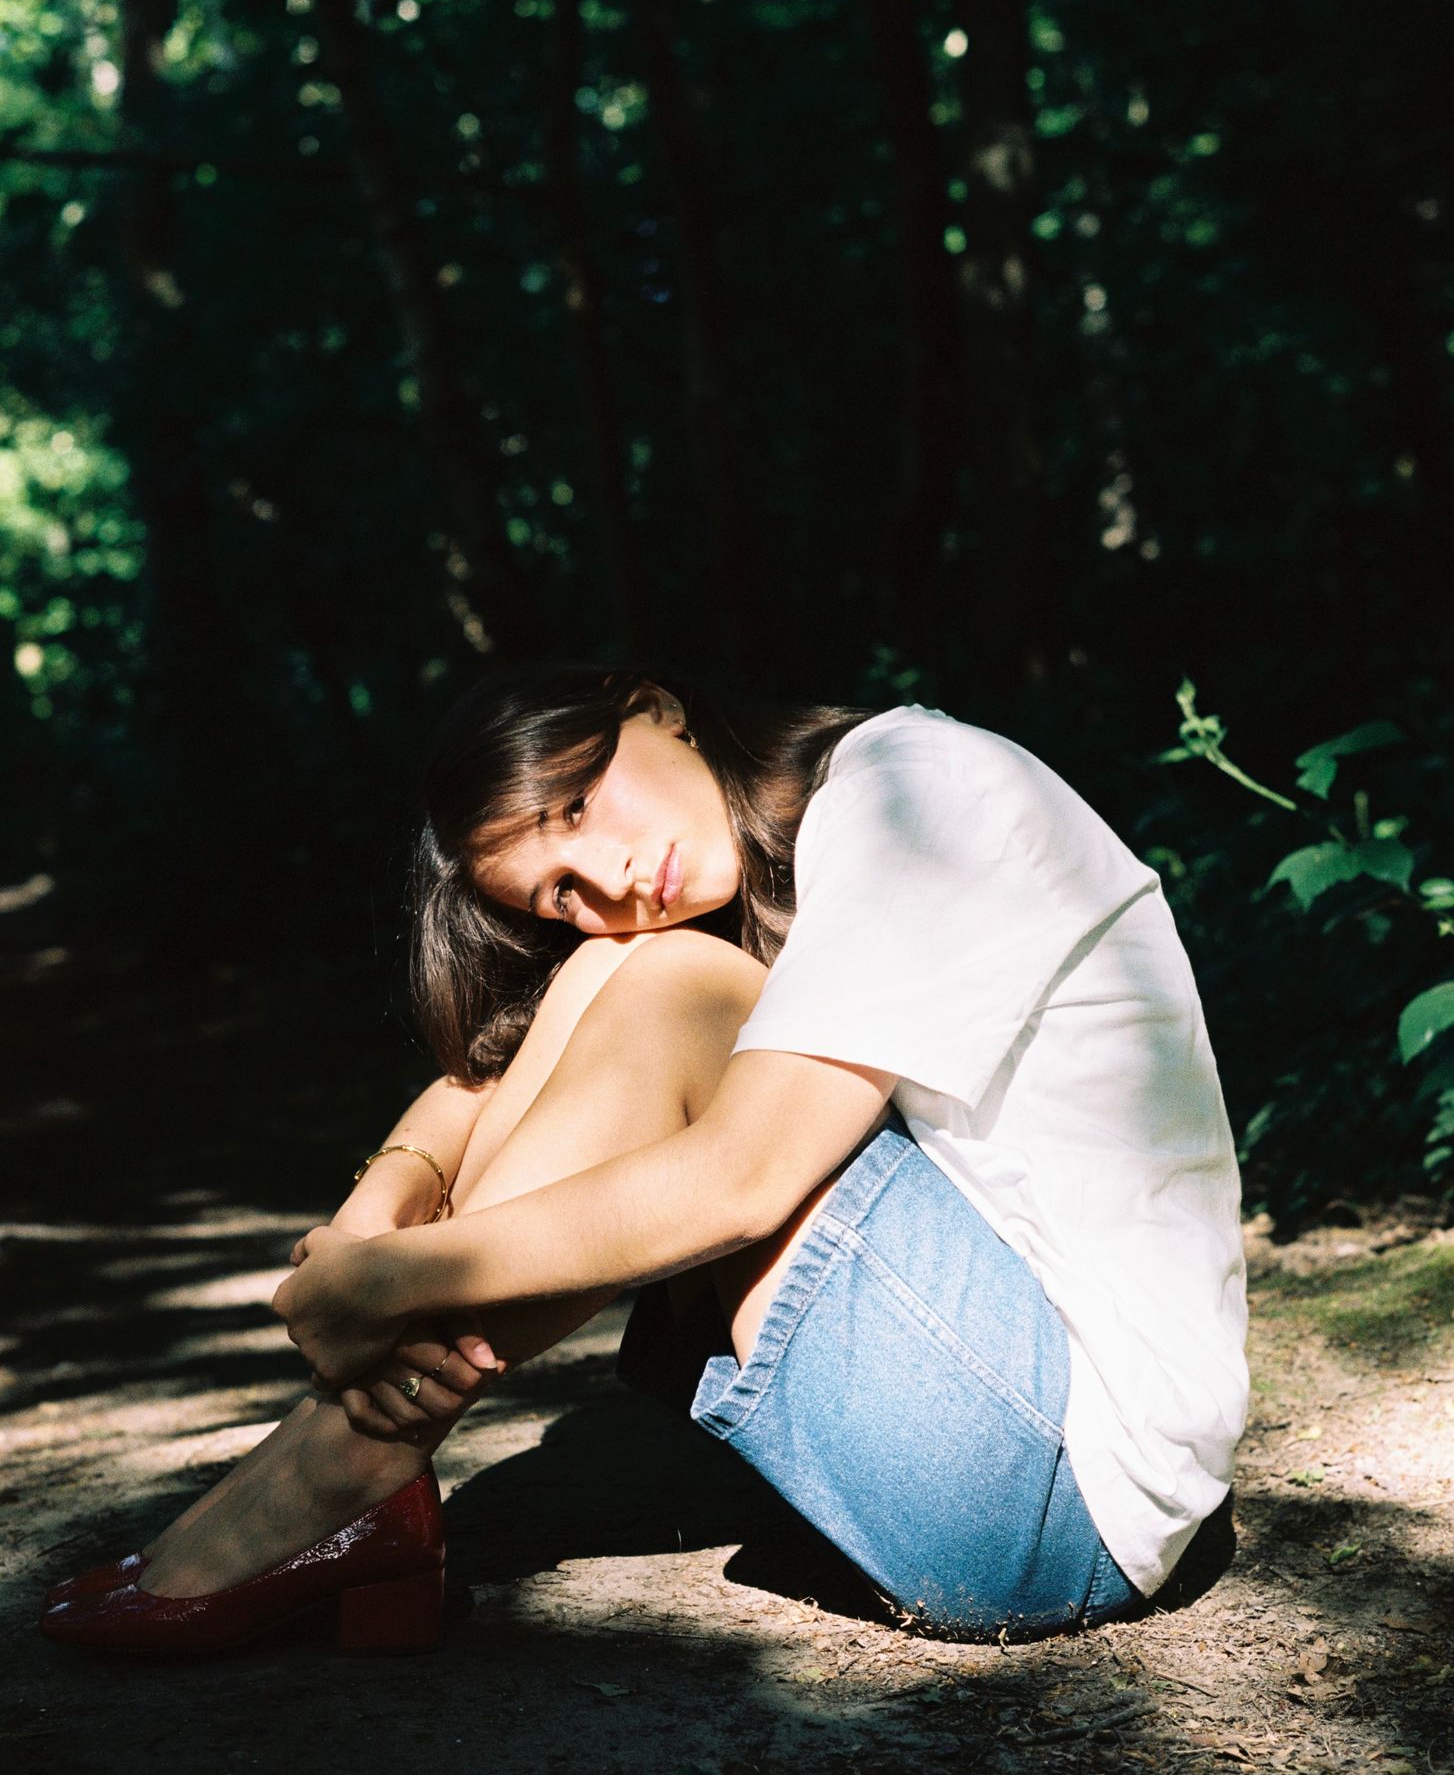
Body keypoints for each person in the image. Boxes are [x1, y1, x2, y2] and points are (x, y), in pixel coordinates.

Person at [40, 664, 1248, 1655]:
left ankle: (344, 1464)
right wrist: (374, 1211)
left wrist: (392, 1281)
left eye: (575, 807)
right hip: (995, 1433)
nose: (607, 879)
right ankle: (353, 1468)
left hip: (1053, 1487)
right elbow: (486, 1080)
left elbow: (742, 1178)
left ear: (654, 706)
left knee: (664, 978)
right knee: (629, 968)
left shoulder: (911, 795)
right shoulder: (771, 867)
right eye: (558, 892)